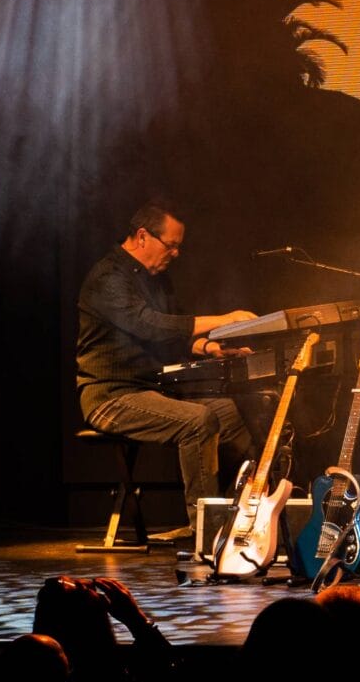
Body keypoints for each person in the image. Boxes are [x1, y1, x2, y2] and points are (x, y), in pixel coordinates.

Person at [76, 202, 259, 544]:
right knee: (198, 420)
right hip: (110, 397)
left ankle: (250, 516)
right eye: (170, 244)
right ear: (143, 236)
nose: (175, 253)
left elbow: (172, 335)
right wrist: (223, 319)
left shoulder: (157, 281)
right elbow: (147, 325)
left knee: (228, 411)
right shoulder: (108, 277)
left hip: (149, 392)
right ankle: (204, 529)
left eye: (178, 247)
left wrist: (209, 347)